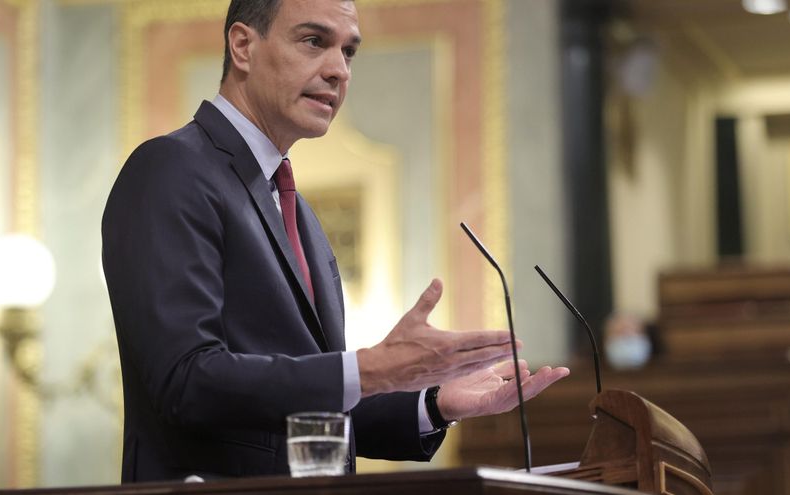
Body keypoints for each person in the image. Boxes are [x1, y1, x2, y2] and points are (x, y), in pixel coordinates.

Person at [102, 0, 569, 482]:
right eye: (314, 42)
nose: (338, 71)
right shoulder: (170, 170)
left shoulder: (296, 210)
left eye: (348, 52)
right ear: (243, 45)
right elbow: (186, 381)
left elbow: (305, 406)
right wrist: (370, 370)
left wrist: (433, 402)